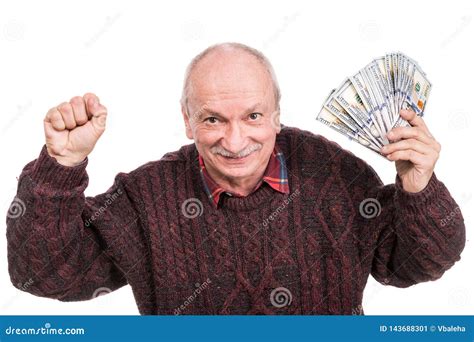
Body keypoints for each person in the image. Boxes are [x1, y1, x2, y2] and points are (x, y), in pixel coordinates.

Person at [6, 42, 465, 315]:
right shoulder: (146, 198)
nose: (235, 139)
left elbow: (416, 266)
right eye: (212, 120)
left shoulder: (335, 175)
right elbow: (41, 276)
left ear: (277, 115)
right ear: (186, 121)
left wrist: (419, 187)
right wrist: (59, 167)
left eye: (253, 115)